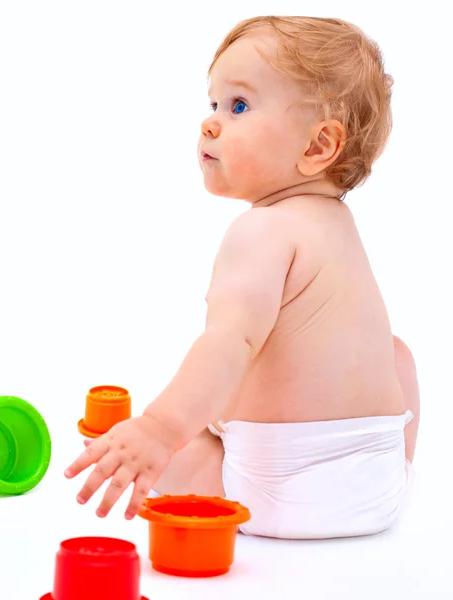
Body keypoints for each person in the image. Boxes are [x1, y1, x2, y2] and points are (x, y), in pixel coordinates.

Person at [64, 16, 420, 539]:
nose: (210, 124)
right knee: (395, 353)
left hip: (278, 495)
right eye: (213, 105)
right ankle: (401, 468)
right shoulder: (339, 225)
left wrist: (160, 430)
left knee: (193, 441)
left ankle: (178, 450)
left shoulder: (261, 230)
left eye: (239, 106)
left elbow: (228, 343)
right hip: (381, 493)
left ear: (318, 146)